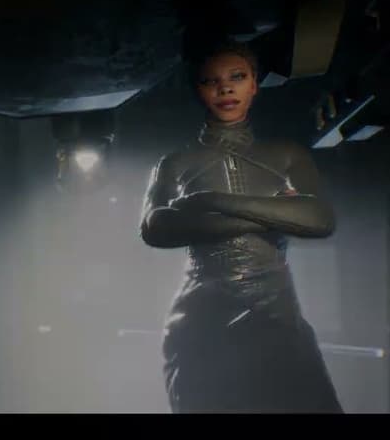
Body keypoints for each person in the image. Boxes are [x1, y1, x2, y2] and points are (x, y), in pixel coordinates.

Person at [139, 40, 343, 413]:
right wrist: (274, 213)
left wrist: (212, 201)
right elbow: (155, 227)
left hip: (277, 311)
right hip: (201, 315)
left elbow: (320, 219)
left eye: (237, 77)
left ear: (254, 84)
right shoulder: (176, 162)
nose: (225, 89)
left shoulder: (287, 155)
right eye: (211, 80)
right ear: (198, 89)